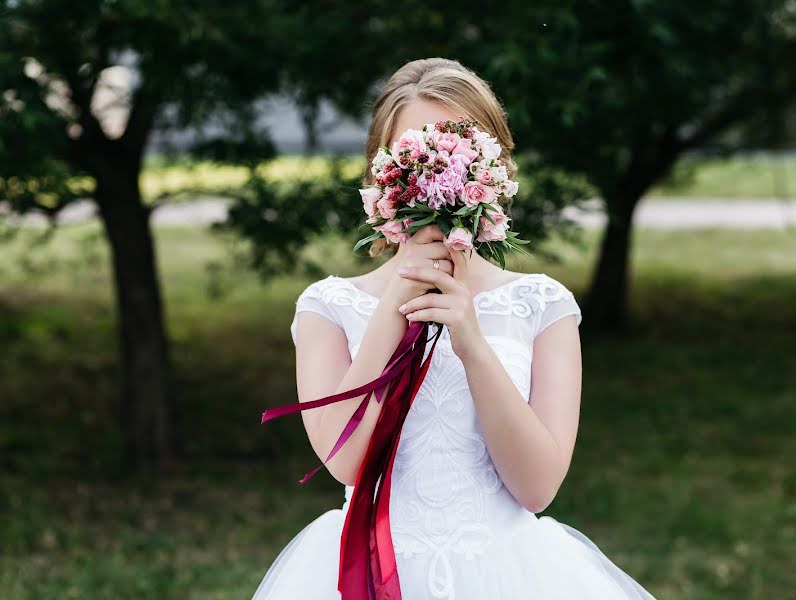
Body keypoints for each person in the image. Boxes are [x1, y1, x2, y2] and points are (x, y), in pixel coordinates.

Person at [250, 57, 657, 600]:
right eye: (417, 157)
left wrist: (472, 342)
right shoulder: (329, 306)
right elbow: (347, 463)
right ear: (382, 173)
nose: (438, 182)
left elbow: (537, 488)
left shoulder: (541, 306)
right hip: (372, 569)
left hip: (508, 575)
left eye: (457, 153)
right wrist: (395, 304)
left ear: (493, 173)